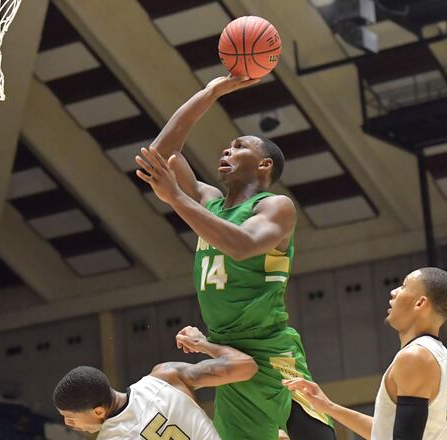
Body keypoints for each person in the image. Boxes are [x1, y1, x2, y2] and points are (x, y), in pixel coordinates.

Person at [134, 75, 334, 439]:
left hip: (269, 348)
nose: (226, 151)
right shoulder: (208, 201)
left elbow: (241, 246)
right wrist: (210, 93)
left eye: (238, 146)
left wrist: (176, 198)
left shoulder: (276, 206)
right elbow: (157, 158)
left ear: (264, 165)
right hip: (226, 352)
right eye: (225, 147)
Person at [284, 267, 447, 440]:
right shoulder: (439, 356)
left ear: (420, 303)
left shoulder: (416, 356)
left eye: (404, 286)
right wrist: (328, 406)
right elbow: (384, 434)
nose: (393, 292)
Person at [53, 326, 257, 439]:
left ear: (98, 411)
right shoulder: (165, 377)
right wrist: (201, 344)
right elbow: (246, 366)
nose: (68, 424)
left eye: (70, 417)